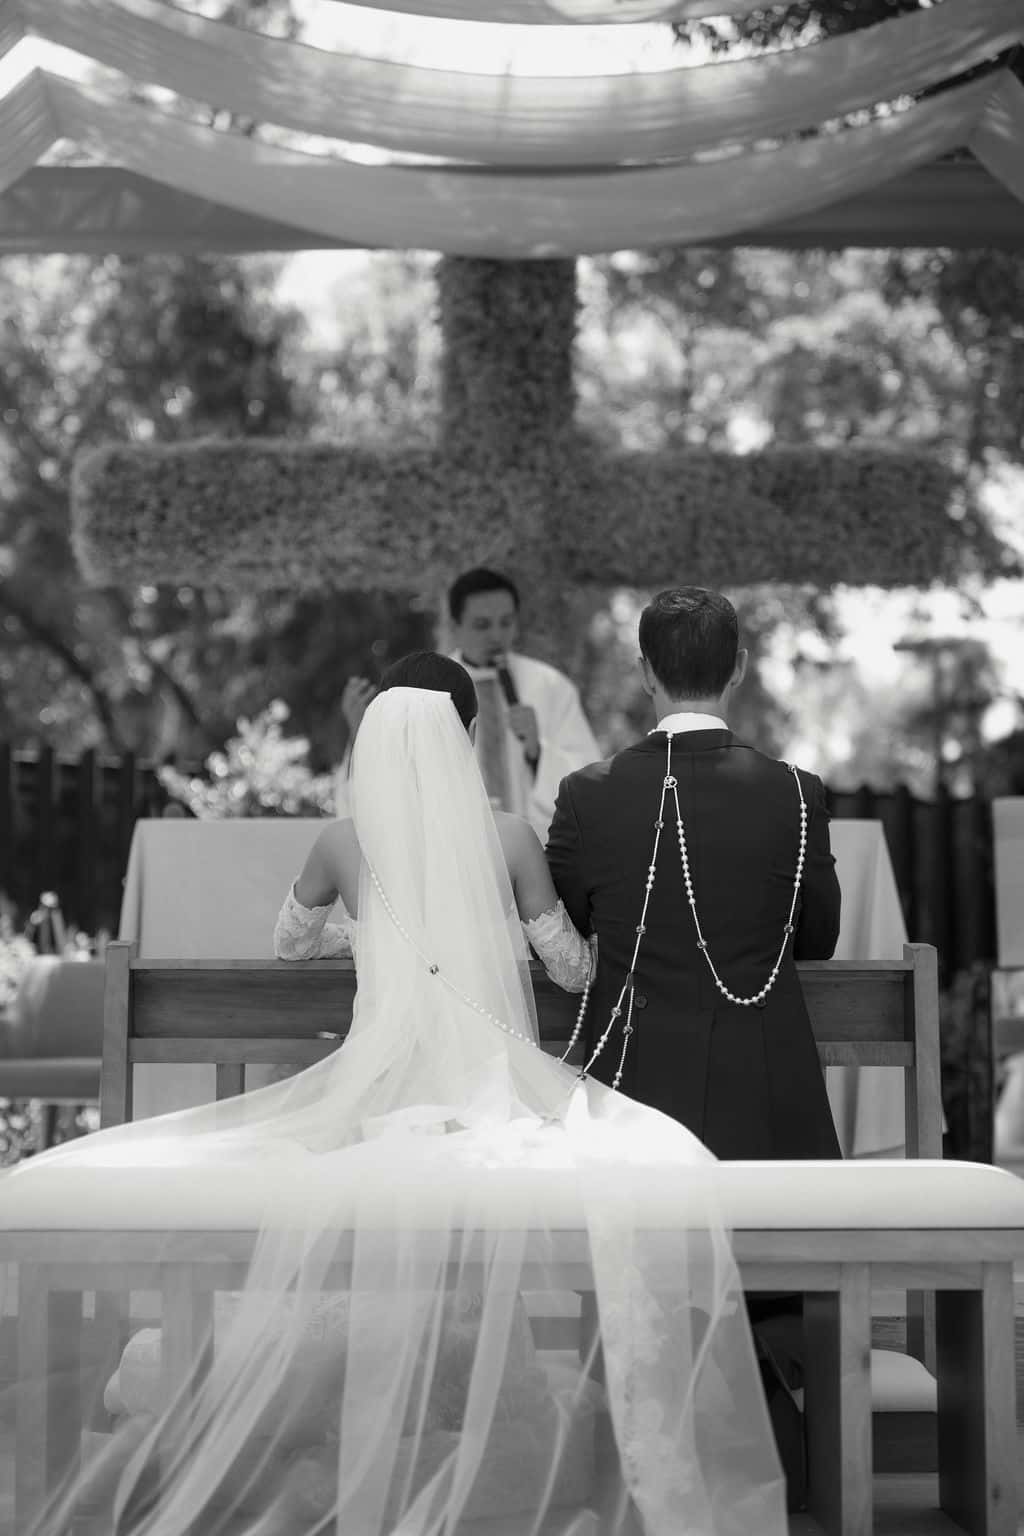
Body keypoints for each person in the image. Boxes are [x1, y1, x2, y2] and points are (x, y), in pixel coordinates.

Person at [0, 651, 786, 1536]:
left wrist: (367, 937)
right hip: (493, 1090)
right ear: (465, 737)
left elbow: (290, 943)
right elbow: (566, 963)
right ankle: (462, 1413)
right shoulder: (511, 837)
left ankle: (349, 1409)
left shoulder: (345, 838)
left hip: (381, 1089)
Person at [545, 587, 842, 1509]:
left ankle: (626, 1458)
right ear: (739, 669)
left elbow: (575, 927)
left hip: (631, 1100)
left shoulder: (589, 795)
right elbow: (819, 938)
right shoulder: (796, 793)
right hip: (771, 1103)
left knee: (627, 1283)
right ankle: (794, 1460)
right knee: (778, 1269)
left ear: (643, 672)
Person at [335, 568, 601, 840]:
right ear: (454, 626)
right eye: (482, 625)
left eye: (506, 623)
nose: (496, 636)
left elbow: (592, 781)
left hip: (538, 846)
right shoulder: (427, 688)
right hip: (453, 846)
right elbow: (397, 783)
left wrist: (537, 752)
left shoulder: (550, 686)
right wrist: (362, 736)